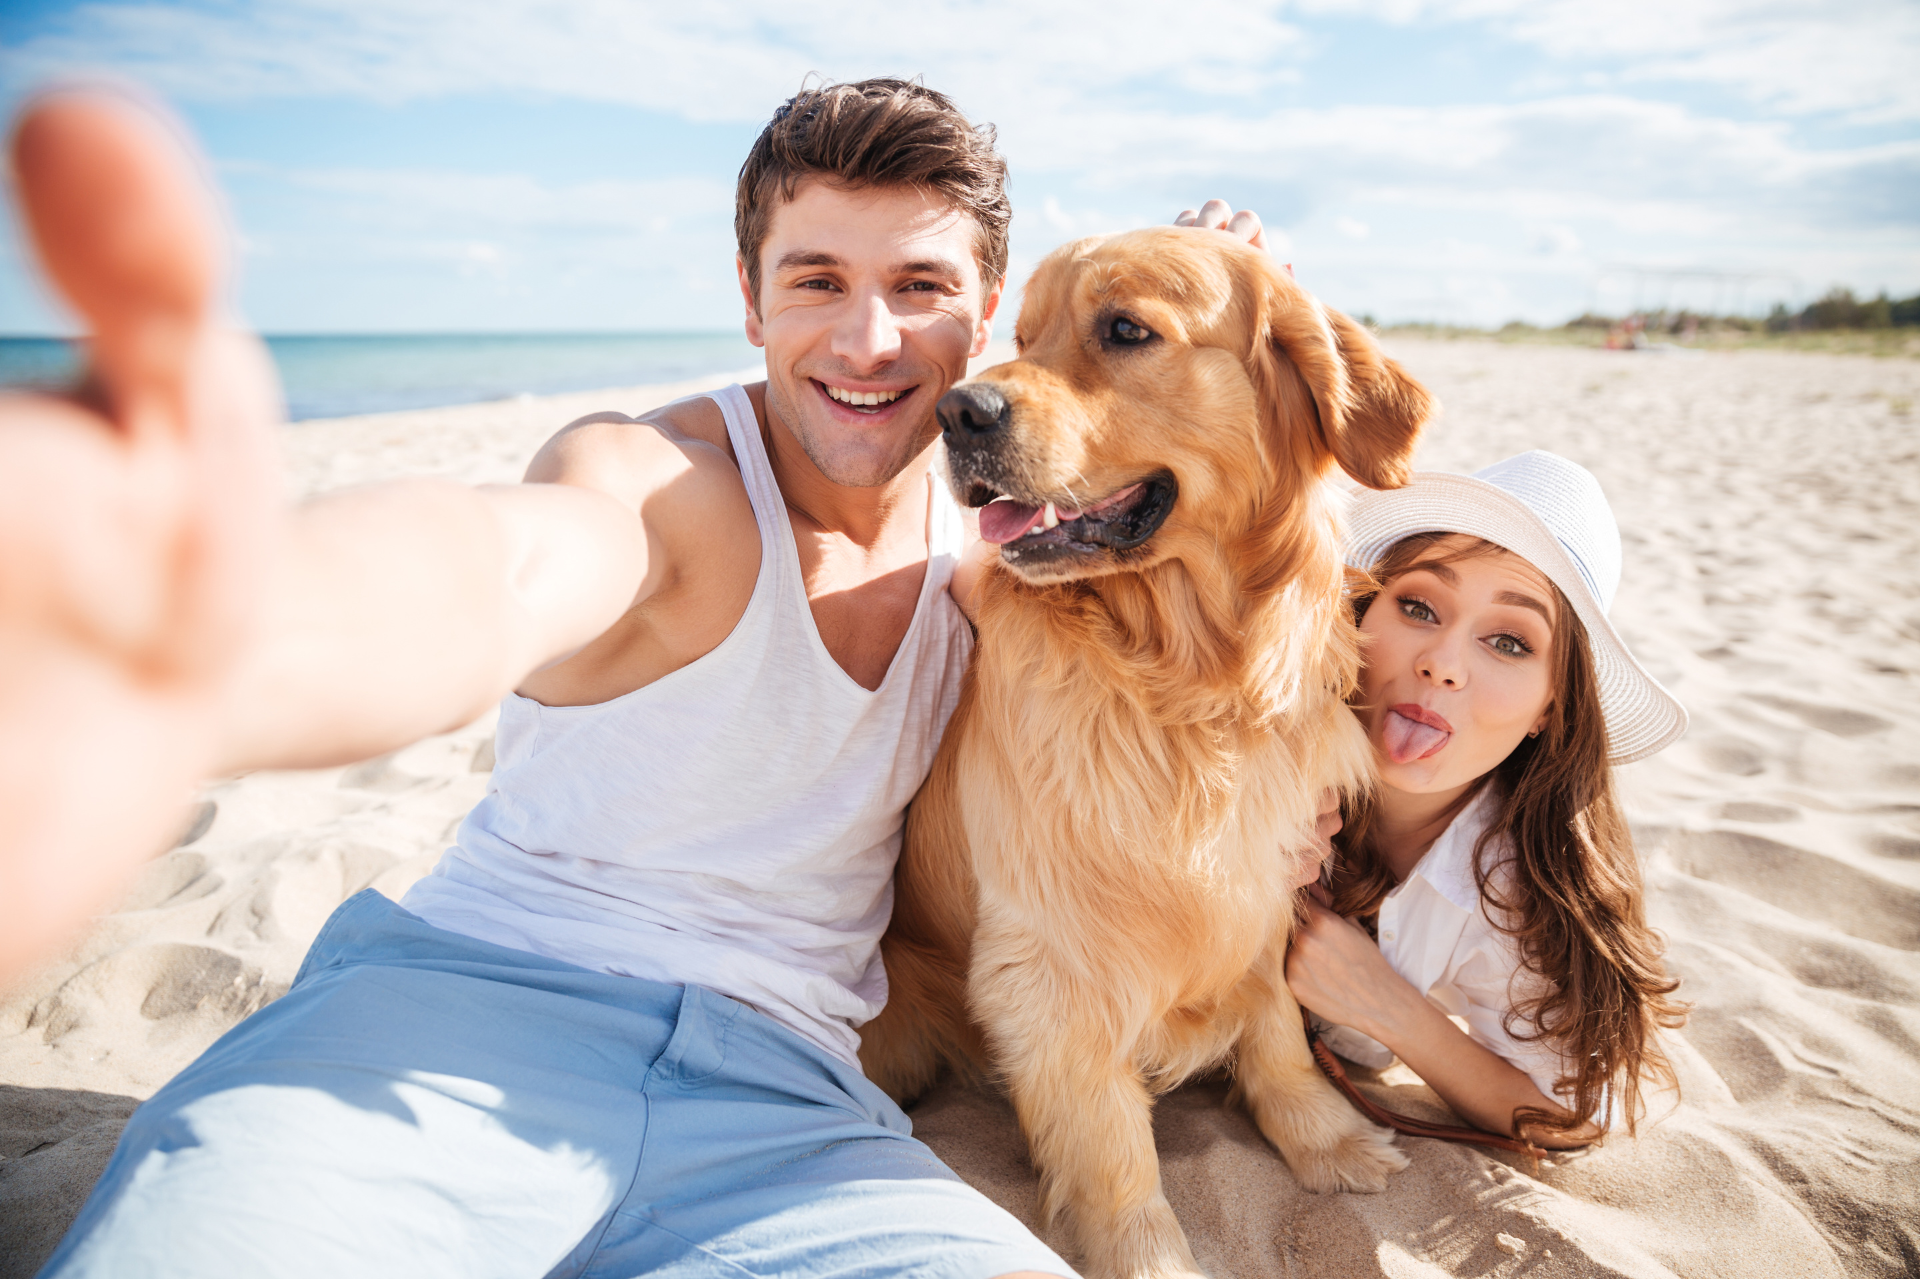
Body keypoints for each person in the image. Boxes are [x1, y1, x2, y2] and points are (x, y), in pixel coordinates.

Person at [7, 76, 1279, 1277]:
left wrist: (1211, 286)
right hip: (460, 1021)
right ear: (749, 297)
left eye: (920, 284)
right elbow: (497, 573)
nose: (870, 336)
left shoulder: (1009, 545)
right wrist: (220, 629)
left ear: (985, 310)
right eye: (817, 279)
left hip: (794, 1101)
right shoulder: (664, 481)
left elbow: (1244, 561)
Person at [1285, 451, 1691, 1148]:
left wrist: (1386, 1007)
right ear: (1359, 611)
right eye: (1417, 605)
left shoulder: (1513, 882)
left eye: (1508, 642)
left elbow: (1575, 1118)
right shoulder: (1249, 727)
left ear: (1549, 709)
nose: (1442, 663)